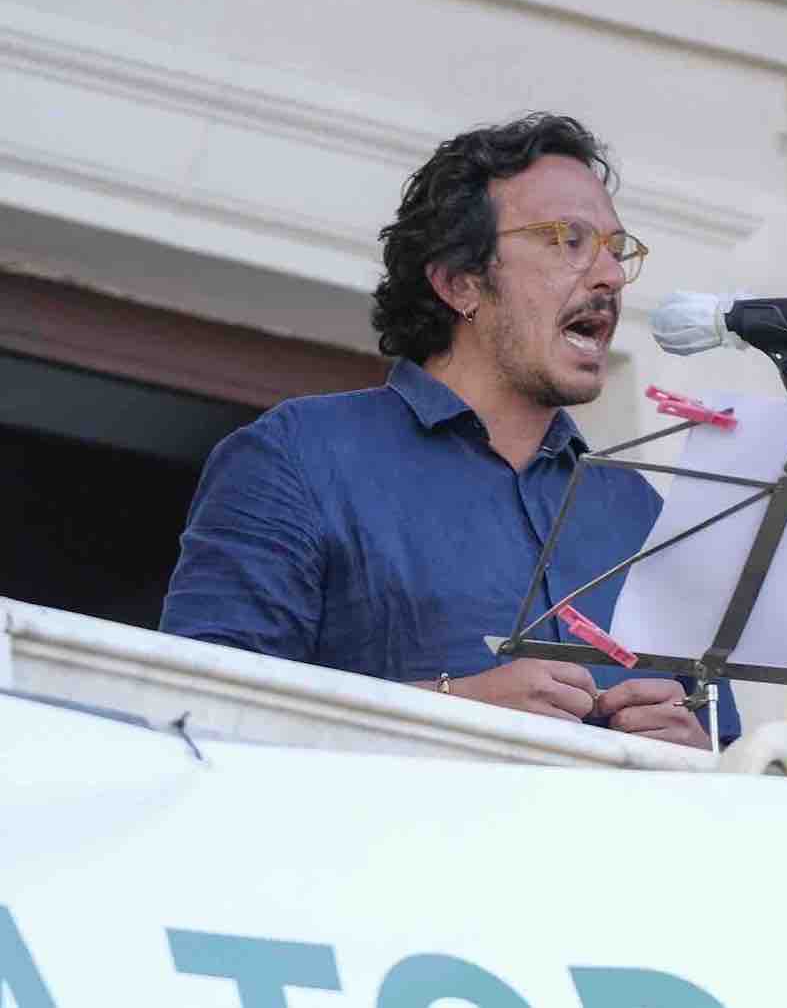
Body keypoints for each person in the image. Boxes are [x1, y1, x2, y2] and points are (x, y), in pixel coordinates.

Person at [160, 113, 737, 750]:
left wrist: (694, 752)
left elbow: (735, 764)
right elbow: (199, 713)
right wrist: (456, 706)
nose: (609, 277)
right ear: (459, 282)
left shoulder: (642, 515)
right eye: (568, 241)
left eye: (615, 249)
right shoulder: (297, 456)